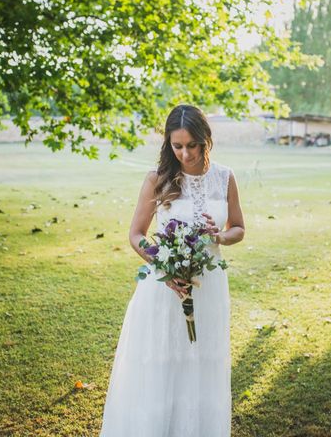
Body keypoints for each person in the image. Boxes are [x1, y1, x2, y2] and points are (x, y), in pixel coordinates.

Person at [99, 104, 245, 436]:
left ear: (205, 139)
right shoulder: (159, 178)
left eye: (191, 145)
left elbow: (239, 228)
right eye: (177, 145)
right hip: (165, 286)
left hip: (208, 285)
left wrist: (218, 235)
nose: (185, 153)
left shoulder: (225, 177)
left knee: (201, 360)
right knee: (163, 360)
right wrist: (163, 266)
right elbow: (136, 234)